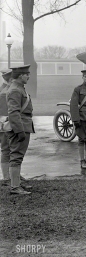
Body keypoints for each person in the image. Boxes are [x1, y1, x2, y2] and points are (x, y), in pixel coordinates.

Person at [6, 65, 34, 195]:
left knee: (18, 156)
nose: (28, 76)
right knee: (16, 156)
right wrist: (19, 131)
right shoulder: (15, 90)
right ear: (20, 75)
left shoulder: (19, 88)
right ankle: (15, 187)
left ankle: (16, 184)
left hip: (23, 125)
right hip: (20, 126)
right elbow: (13, 113)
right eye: (26, 74)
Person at [0, 69, 13, 185]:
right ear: (10, 79)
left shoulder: (5, 89)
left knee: (12, 150)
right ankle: (6, 177)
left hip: (6, 123)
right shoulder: (5, 91)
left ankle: (13, 174)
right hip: (5, 124)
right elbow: (5, 112)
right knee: (6, 150)